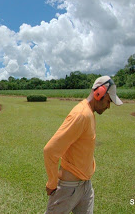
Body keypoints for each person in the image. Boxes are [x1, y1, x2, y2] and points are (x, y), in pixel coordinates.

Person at [43, 76, 123, 213]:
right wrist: (52, 182)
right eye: (109, 101)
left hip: (85, 187)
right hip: (69, 189)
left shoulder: (90, 114)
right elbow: (50, 150)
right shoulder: (81, 115)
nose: (109, 106)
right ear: (99, 93)